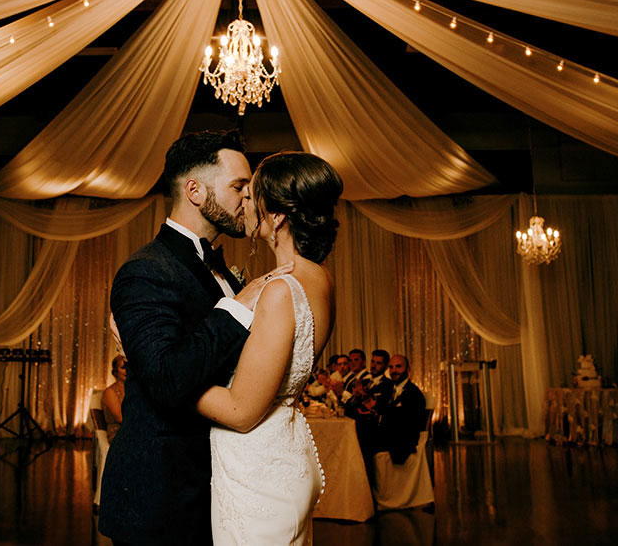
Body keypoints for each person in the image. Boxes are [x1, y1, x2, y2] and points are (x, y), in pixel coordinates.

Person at [99, 130, 288, 546]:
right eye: (239, 186)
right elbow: (166, 380)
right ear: (195, 190)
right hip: (162, 493)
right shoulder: (146, 270)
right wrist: (238, 307)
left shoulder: (216, 267)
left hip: (212, 484)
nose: (248, 200)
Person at [196, 151, 344, 545]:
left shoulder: (281, 290)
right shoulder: (320, 278)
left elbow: (241, 412)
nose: (243, 203)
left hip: (257, 470)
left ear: (276, 215)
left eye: (251, 195)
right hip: (282, 454)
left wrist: (161, 372)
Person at [377, 354, 427, 464]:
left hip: (402, 440)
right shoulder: (387, 389)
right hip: (386, 435)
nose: (394, 370)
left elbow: (411, 422)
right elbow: (380, 409)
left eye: (398, 366)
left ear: (408, 369)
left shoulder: (414, 393)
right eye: (391, 367)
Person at [101, 354, 126, 444]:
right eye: (123, 368)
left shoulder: (134, 390)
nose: (127, 371)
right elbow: (120, 418)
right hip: (118, 434)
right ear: (115, 371)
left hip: (134, 431)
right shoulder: (110, 392)